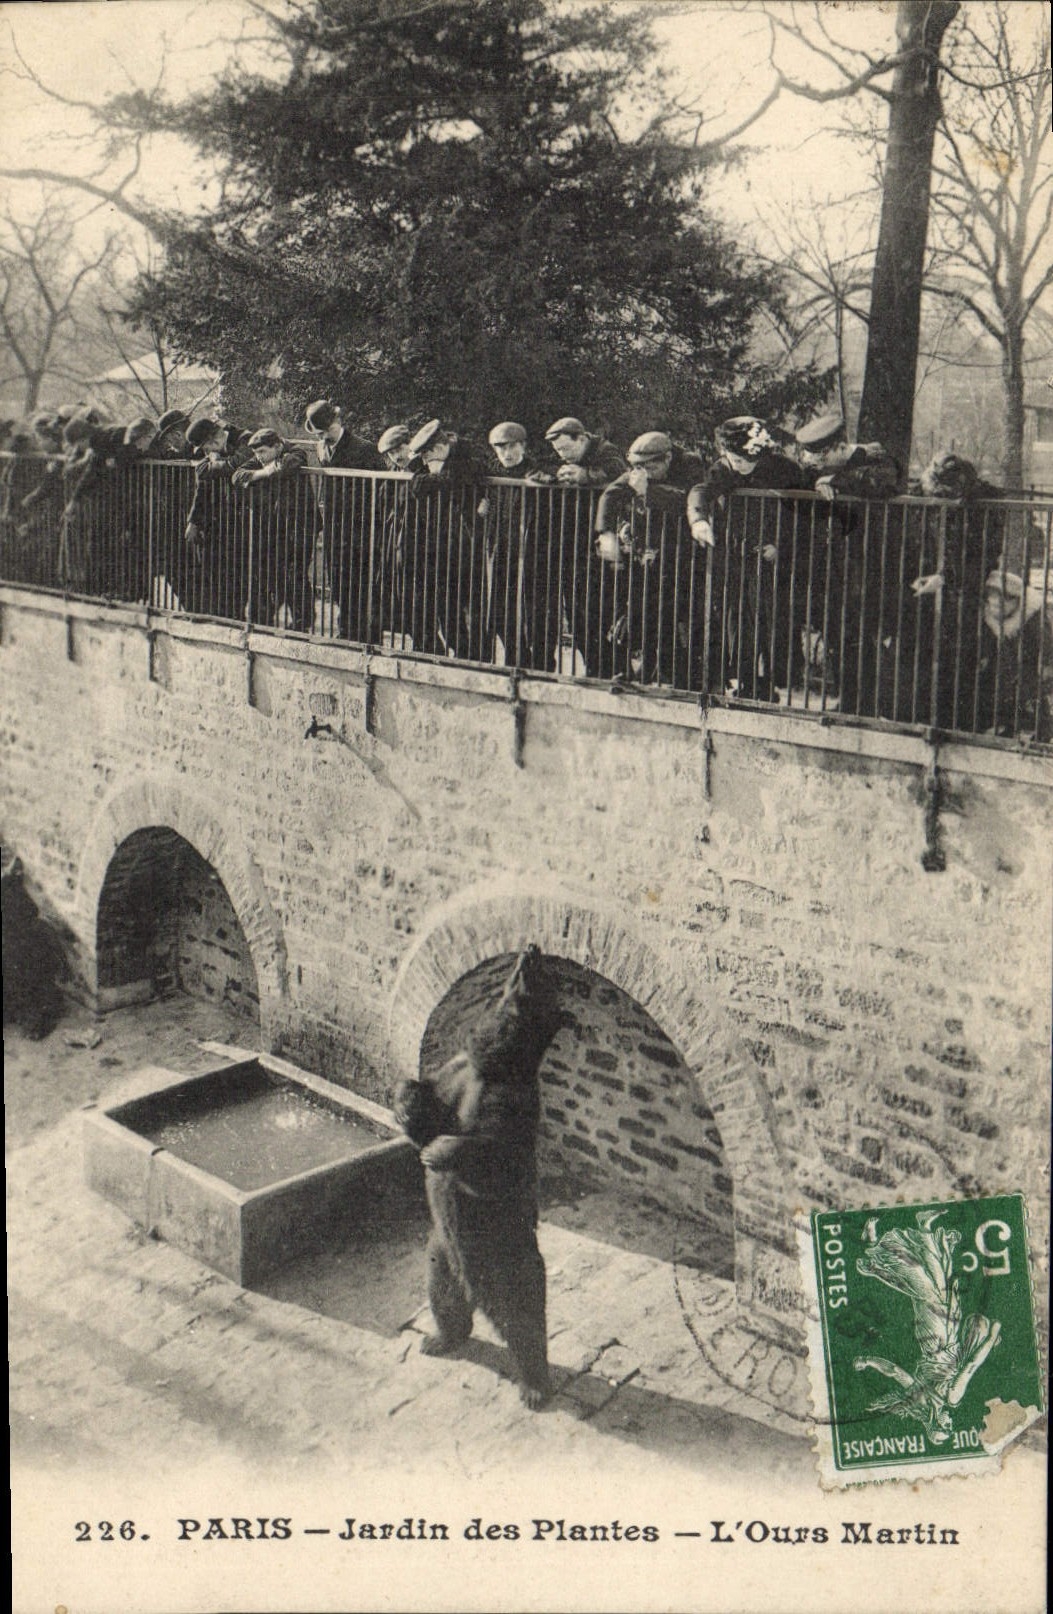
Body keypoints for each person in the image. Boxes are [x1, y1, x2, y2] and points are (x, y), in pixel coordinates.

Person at [688, 417, 806, 700]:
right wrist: (699, 520)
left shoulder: (785, 469)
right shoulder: (725, 468)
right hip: (739, 556)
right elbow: (701, 491)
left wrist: (782, 546)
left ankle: (777, 680)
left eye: (742, 460)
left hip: (776, 558)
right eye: (732, 458)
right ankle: (745, 680)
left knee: (775, 618)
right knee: (739, 621)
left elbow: (803, 513)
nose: (736, 465)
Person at [793, 412, 901, 714]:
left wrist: (836, 480)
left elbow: (883, 482)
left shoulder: (876, 457)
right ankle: (850, 700)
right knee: (838, 633)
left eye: (820, 457)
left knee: (866, 634)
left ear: (840, 447)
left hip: (875, 563)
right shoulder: (823, 467)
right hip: (840, 565)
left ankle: (871, 703)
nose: (813, 463)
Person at [594, 431, 708, 686]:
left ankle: (682, 679)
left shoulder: (690, 463)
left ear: (667, 458)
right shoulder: (641, 470)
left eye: (649, 466)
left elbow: (688, 498)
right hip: (652, 553)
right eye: (637, 466)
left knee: (679, 617)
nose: (642, 471)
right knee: (645, 610)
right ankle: (648, 671)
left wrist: (647, 493)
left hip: (685, 553)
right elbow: (611, 494)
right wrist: (606, 533)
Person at [529, 417, 626, 676]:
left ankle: (610, 670)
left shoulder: (606, 450)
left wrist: (586, 476)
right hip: (573, 544)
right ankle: (595, 670)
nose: (562, 455)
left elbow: (619, 472)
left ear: (581, 439)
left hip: (599, 544)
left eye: (566, 449)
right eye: (558, 451)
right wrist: (555, 476)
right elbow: (533, 470)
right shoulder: (565, 457)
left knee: (599, 611)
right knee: (577, 613)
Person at [404, 419, 490, 658]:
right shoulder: (436, 463)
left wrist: (438, 475)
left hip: (469, 544)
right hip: (443, 546)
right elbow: (416, 483)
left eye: (427, 455)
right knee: (447, 608)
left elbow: (463, 477)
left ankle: (477, 659)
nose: (424, 461)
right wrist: (436, 475)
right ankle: (460, 653)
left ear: (439, 448)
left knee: (472, 608)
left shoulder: (468, 453)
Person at [480, 422, 556, 669]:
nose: (506, 453)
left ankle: (542, 666)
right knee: (501, 611)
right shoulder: (491, 473)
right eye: (500, 448)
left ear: (523, 445)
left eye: (511, 446)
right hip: (501, 552)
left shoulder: (535, 471)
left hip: (532, 554)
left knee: (534, 614)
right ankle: (514, 663)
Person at [304, 399, 381, 641]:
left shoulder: (364, 448)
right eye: (320, 434)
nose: (324, 437)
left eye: (328, 431)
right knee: (338, 581)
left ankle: (367, 637)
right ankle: (346, 631)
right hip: (335, 526)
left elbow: (379, 490)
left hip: (360, 526)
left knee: (360, 582)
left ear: (338, 421)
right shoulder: (320, 447)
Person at [60, 414, 157, 599]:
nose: (79, 449)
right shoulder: (100, 444)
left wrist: (114, 462)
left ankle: (122, 590)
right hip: (118, 503)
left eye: (77, 444)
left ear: (82, 439)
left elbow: (124, 456)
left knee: (118, 546)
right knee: (106, 545)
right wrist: (75, 499)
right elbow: (93, 471)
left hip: (127, 501)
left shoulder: (109, 437)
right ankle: (106, 588)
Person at [231, 428, 313, 630]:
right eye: (256, 454)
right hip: (277, 526)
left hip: (300, 525)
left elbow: (289, 465)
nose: (259, 457)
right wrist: (264, 471)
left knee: (295, 573)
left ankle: (303, 621)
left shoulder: (295, 451)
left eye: (263, 452)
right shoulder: (262, 460)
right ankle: (267, 620)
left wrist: (267, 471)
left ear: (277, 446)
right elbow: (237, 476)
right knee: (274, 572)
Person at [181, 418, 254, 617]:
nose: (206, 453)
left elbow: (237, 465)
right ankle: (225, 616)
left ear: (214, 441)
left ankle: (236, 617)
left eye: (206, 448)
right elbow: (201, 479)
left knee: (240, 573)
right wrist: (193, 520)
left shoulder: (245, 439)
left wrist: (213, 464)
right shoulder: (214, 452)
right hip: (221, 519)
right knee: (216, 571)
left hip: (246, 518)